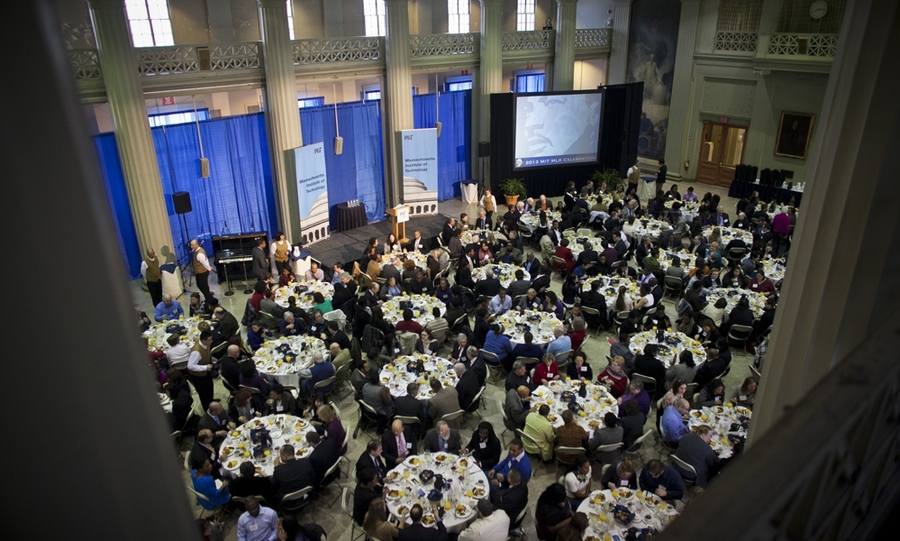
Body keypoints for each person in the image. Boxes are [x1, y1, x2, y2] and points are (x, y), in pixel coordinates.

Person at [188, 331, 218, 410]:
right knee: (203, 394)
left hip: (206, 372)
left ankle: (211, 401)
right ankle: (208, 409)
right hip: (199, 376)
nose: (211, 341)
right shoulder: (196, 352)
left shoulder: (206, 345)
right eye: (209, 340)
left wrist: (211, 358)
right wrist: (205, 367)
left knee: (210, 388)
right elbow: (190, 366)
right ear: (203, 340)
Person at [191, 238, 217, 304]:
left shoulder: (199, 253)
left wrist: (209, 268)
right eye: (191, 245)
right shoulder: (198, 251)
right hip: (200, 272)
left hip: (202, 272)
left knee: (203, 286)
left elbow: (205, 262)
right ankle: (208, 296)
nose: (191, 247)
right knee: (202, 285)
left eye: (193, 245)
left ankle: (209, 299)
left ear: (197, 245)